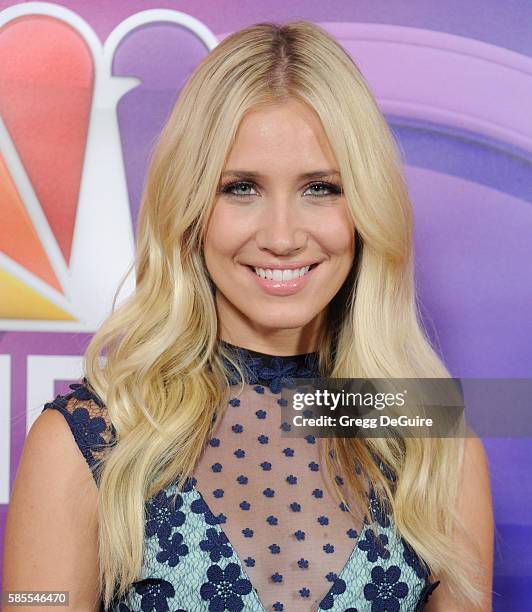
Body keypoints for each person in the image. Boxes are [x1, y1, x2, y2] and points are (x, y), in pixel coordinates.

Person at [3, 20, 493, 611]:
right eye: (241, 188)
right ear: (190, 207)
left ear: (364, 208)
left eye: (321, 188)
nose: (283, 236)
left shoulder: (432, 445)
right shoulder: (91, 442)